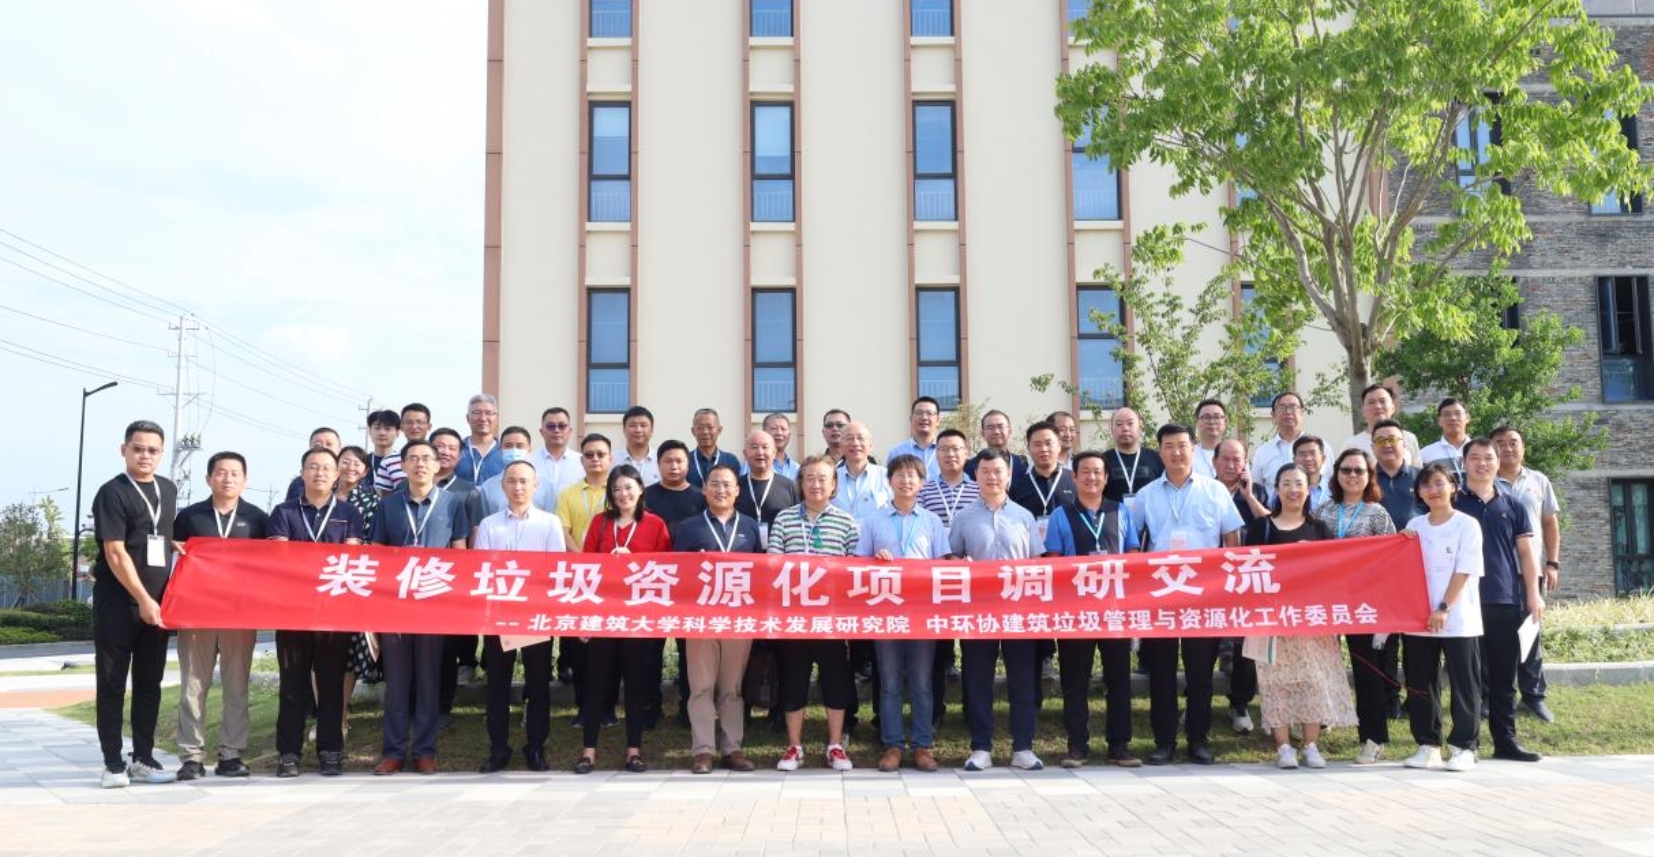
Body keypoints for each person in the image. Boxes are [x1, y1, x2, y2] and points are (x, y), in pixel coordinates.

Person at [1138, 423, 1245, 765]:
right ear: (1160, 452)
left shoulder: (1214, 490)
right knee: (1161, 673)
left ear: (1193, 448)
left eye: (1182, 445)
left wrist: (1226, 588)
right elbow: (1133, 543)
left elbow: (1231, 540)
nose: (1176, 452)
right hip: (1161, 595)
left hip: (1204, 595)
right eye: (1169, 446)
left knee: (1200, 673)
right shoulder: (1146, 495)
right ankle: (1164, 742)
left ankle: (1199, 739)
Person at [368, 439, 471, 775]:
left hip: (434, 604)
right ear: (403, 466)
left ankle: (425, 751)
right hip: (395, 605)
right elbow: (376, 554)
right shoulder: (388, 505)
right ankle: (394, 752)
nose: (420, 463)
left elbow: (460, 553)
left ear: (438, 464)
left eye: (427, 458)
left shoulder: (453, 504)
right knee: (397, 683)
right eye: (413, 458)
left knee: (428, 680)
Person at [1248, 464, 1356, 770]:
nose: (1293, 490)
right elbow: (1247, 571)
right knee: (1275, 683)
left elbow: (1335, 571)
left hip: (1311, 620)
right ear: (1276, 489)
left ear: (1308, 490)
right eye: (1286, 483)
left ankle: (1310, 745)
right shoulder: (1261, 528)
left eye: (1299, 483)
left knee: (1314, 681)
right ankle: (1283, 747)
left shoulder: (1319, 529)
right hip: (1271, 619)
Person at [170, 451, 269, 781]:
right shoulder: (189, 516)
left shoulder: (258, 519)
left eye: (235, 473)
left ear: (245, 480)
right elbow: (173, 555)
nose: (228, 478)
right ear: (208, 478)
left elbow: (270, 565)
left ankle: (231, 754)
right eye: (221, 472)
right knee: (192, 685)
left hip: (239, 614)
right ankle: (191, 757)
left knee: (236, 684)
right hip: (195, 613)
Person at [92, 420, 179, 788]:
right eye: (138, 448)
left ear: (161, 453)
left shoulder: (168, 489)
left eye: (152, 450)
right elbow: (115, 551)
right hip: (119, 604)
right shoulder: (112, 493)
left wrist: (174, 546)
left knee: (149, 684)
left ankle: (143, 758)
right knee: (112, 684)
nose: (145, 455)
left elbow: (153, 536)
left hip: (157, 607)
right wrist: (142, 598)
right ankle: (113, 764)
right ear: (124, 450)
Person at [268, 447, 366, 778]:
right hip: (291, 612)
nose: (320, 473)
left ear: (337, 475)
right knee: (292, 684)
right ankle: (288, 754)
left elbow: (350, 558)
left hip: (334, 613)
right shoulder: (283, 512)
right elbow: (280, 558)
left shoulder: (349, 513)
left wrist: (307, 561)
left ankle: (330, 751)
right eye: (313, 467)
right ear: (302, 473)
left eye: (326, 468)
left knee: (331, 684)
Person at [1043, 450, 1141, 768]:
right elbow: (1054, 561)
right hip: (1075, 611)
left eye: (1098, 471)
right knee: (1075, 681)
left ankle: (1119, 745)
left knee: (1119, 679)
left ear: (1106, 477)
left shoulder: (1120, 511)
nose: (1092, 477)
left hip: (1114, 609)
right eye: (1085, 471)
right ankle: (1077, 745)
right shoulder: (1061, 515)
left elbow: (1133, 554)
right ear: (1074, 477)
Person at [951, 448, 1044, 772]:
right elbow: (951, 558)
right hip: (978, 612)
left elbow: (1036, 562)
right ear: (975, 476)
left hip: (1019, 611)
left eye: (998, 471)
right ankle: (981, 747)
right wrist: (960, 564)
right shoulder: (963, 517)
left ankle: (1023, 747)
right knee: (978, 679)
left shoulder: (1024, 516)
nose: (992, 477)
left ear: (1009, 475)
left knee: (1023, 680)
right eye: (985, 472)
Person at [856, 454, 949, 773]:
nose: (906, 480)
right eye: (900, 475)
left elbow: (943, 565)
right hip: (886, 613)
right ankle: (892, 744)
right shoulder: (873, 521)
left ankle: (922, 745)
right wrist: (874, 561)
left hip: (922, 613)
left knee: (922, 682)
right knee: (890, 681)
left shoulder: (932, 521)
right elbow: (858, 565)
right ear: (889, 481)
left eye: (912, 476)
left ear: (922, 483)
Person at [574, 464, 669, 774]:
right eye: (616, 489)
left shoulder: (655, 524)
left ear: (641, 490)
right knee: (596, 682)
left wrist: (635, 563)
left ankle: (634, 751)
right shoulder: (600, 522)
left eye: (629, 487)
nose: (623, 494)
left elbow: (665, 569)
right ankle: (588, 752)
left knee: (636, 684)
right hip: (604, 614)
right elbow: (586, 570)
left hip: (638, 616)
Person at [1456, 437, 1545, 763]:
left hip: (1504, 598)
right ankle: (1467, 742)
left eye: (1488, 458)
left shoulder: (1513, 505)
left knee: (1504, 676)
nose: (1482, 464)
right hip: (1462, 601)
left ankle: (1505, 740)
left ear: (1497, 463)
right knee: (1468, 678)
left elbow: (1527, 554)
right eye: (1475, 458)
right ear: (1464, 463)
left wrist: (1533, 595)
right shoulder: (1452, 503)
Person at [768, 455, 861, 772]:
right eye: (809, 478)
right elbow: (773, 564)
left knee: (836, 681)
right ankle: (794, 747)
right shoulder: (784, 519)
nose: (816, 484)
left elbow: (854, 570)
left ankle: (834, 746)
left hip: (831, 619)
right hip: (793, 618)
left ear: (834, 485)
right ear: (801, 483)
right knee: (793, 681)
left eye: (823, 478)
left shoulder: (847, 522)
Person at [672, 463, 764, 774]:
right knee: (701, 686)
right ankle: (703, 751)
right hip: (700, 618)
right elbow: (675, 574)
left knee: (732, 688)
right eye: (714, 484)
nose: (721, 489)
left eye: (727, 484)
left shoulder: (750, 526)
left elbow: (761, 573)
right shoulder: (689, 527)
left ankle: (732, 748)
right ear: (704, 489)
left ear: (737, 490)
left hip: (738, 618)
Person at [476, 460, 566, 773]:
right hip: (500, 616)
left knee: (537, 684)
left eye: (524, 481)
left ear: (535, 485)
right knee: (497, 685)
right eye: (512, 481)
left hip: (535, 615)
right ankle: (498, 748)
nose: (518, 487)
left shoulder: (549, 523)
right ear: (502, 485)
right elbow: (483, 569)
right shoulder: (489, 525)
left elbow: (555, 570)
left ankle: (536, 746)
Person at [1313, 448, 1401, 764]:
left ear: (1369, 476)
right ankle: (1312, 736)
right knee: (1319, 667)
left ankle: (1373, 738)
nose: (1352, 476)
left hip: (1364, 603)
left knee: (1367, 671)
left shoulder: (1377, 513)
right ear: (1336, 474)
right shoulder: (1323, 510)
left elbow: (1391, 559)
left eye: (1359, 471)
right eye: (1346, 470)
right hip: (1325, 601)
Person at [1401, 463, 1485, 772]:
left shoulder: (1467, 525)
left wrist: (1444, 607)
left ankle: (1465, 746)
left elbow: (1464, 569)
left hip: (1458, 618)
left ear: (1453, 487)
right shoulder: (1415, 525)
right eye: (1426, 485)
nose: (1433, 490)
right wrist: (1400, 542)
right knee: (1421, 683)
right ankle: (1428, 745)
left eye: (1439, 483)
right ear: (1419, 492)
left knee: (1464, 684)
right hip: (1419, 619)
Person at [1493, 425, 1562, 724]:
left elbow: (1550, 524)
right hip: (1494, 573)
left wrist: (1552, 563)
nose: (1507, 448)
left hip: (1530, 571)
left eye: (1513, 442)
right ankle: (1493, 696)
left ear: (1523, 447)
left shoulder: (1539, 481)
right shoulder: (1484, 482)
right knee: (1495, 636)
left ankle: (1533, 697)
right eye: (1500, 443)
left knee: (1530, 634)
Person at [915, 427, 978, 723]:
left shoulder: (979, 488)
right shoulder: (923, 491)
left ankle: (971, 707)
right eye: (943, 449)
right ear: (935, 455)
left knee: (973, 645)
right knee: (938, 646)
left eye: (956, 449)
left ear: (966, 454)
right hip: (934, 579)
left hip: (972, 578)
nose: (950, 454)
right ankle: (935, 710)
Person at [555, 433, 615, 721]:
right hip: (579, 577)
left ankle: (608, 707)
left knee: (609, 644)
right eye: (589, 454)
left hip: (612, 580)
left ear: (610, 458)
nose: (595, 459)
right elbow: (563, 530)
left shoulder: (620, 491)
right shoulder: (568, 493)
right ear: (582, 460)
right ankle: (583, 707)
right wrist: (584, 560)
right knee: (581, 645)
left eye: (600, 454)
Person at [431, 427, 485, 720]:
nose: (445, 452)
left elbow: (474, 535)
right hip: (410, 580)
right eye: (439, 446)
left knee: (446, 648)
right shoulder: (405, 487)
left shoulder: (468, 490)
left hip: (450, 580)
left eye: (452, 448)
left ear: (460, 455)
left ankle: (442, 706)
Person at [1215, 437, 1268, 734]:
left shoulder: (1256, 491)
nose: (1231, 465)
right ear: (1214, 462)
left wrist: (1249, 497)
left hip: (1248, 578)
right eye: (1225, 459)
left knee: (1244, 645)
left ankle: (1239, 703)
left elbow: (1272, 525)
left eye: (1237, 459)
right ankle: (1196, 702)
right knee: (1205, 643)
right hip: (1210, 578)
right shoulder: (1204, 489)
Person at [336, 446, 384, 723]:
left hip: (353, 582)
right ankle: (325, 714)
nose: (350, 468)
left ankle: (340, 715)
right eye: (345, 462)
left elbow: (374, 543)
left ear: (366, 471)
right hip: (318, 583)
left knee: (349, 651)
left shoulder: (371, 501)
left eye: (357, 464)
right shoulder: (320, 496)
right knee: (318, 652)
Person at [478, 426, 558, 516]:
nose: (514, 450)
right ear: (500, 450)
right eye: (508, 446)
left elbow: (550, 518)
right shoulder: (488, 487)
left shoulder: (546, 486)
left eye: (520, 446)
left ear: (529, 449)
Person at [737, 430, 800, 540]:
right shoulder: (735, 486)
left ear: (774, 453)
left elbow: (798, 522)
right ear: (745, 453)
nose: (760, 452)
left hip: (779, 547)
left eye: (765, 447)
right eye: (754, 447)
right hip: (742, 548)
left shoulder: (789, 486)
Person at [1341, 383, 1423, 467]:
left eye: (1383, 401)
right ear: (1363, 410)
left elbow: (1418, 472)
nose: (1378, 406)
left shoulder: (1409, 438)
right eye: (1371, 402)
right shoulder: (1352, 445)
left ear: (1393, 408)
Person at [1101, 407, 1162, 518]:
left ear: (1140, 427)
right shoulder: (1102, 461)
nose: (1125, 428)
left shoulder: (1157, 458)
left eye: (1130, 423)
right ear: (1111, 429)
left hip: (1150, 523)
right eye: (1119, 424)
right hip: (1113, 522)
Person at [833, 421, 892, 520]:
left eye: (860, 438)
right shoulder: (832, 478)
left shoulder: (886, 476)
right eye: (849, 438)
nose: (855, 443)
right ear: (841, 446)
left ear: (870, 445)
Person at [1251, 392, 1308, 492]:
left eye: (1293, 407)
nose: (1288, 412)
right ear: (1273, 415)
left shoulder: (1320, 449)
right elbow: (1257, 491)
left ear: (1302, 413)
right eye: (1281, 407)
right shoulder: (1262, 453)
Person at [644, 439, 706, 526]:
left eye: (679, 461)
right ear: (658, 464)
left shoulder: (701, 497)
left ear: (688, 465)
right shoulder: (645, 496)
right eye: (668, 461)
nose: (674, 467)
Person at [886, 396, 943, 479]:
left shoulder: (947, 452)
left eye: (929, 413)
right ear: (911, 419)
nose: (924, 417)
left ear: (938, 420)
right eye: (919, 413)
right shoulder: (896, 453)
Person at [964, 409, 1029, 481]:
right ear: (982, 433)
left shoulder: (1021, 463)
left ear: (1009, 431)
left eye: (1000, 426)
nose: (996, 432)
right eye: (990, 427)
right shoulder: (970, 466)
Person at [533, 406, 584, 496]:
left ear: (570, 431)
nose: (556, 430)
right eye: (551, 426)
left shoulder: (582, 462)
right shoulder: (529, 461)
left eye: (562, 426)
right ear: (541, 432)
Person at [283, 427, 343, 501]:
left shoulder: (351, 480)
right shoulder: (298, 484)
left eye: (329, 444)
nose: (324, 448)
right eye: (317, 445)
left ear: (340, 449)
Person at [687, 408, 741, 488]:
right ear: (693, 431)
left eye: (710, 427)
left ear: (719, 430)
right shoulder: (685, 461)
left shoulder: (731, 461)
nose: (705, 432)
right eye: (700, 428)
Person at [458, 393, 505, 485]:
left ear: (497, 418)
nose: (483, 418)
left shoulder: (505, 451)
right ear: (468, 418)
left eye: (488, 413)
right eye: (477, 413)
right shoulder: (456, 450)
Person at [1421, 397, 1471, 477]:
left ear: (1467, 418)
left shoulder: (1480, 451)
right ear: (1439, 421)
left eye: (1458, 413)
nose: (1453, 418)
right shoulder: (1425, 454)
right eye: (1446, 414)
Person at [366, 409, 406, 497]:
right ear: (369, 431)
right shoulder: (362, 461)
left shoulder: (405, 462)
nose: (382, 433)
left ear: (397, 432)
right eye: (377, 428)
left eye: (387, 429)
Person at [619, 405, 661, 486]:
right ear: (624, 430)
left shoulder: (661, 459)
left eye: (643, 425)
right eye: (632, 425)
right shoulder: (612, 460)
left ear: (652, 430)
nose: (638, 430)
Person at [1291, 434, 1331, 507]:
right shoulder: (1287, 489)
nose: (1308, 459)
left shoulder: (1334, 488)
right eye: (1302, 454)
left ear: (1323, 459)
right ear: (1294, 460)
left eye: (1313, 453)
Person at [1192, 399, 1228, 478]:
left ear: (1225, 422)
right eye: (1206, 417)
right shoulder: (1189, 454)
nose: (1211, 421)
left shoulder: (1236, 452)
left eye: (1217, 417)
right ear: (1197, 423)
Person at [762, 412, 801, 480]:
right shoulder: (753, 466)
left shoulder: (797, 469)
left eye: (783, 429)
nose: (779, 433)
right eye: (774, 428)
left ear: (789, 434)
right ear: (764, 433)